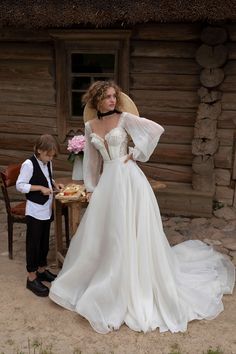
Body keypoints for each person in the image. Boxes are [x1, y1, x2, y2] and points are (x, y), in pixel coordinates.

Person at [49, 81, 235, 334]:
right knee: (110, 234)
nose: (113, 101)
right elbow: (92, 163)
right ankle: (108, 282)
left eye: (115, 96)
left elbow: (156, 130)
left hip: (129, 180)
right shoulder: (90, 125)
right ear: (97, 101)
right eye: (107, 97)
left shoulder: (125, 119)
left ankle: (135, 285)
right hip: (107, 186)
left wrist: (136, 153)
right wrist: (92, 189)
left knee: (131, 231)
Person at [16, 134, 64, 297]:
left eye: (52, 155)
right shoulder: (28, 164)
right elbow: (20, 185)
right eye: (48, 155)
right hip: (35, 209)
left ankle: (42, 270)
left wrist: (54, 184)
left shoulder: (47, 162)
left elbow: (48, 178)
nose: (50, 158)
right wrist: (40, 188)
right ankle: (31, 277)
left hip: (46, 208)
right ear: (38, 150)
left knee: (44, 242)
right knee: (33, 243)